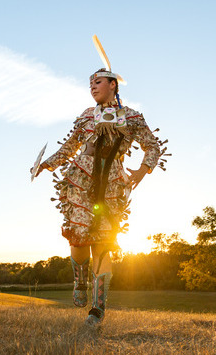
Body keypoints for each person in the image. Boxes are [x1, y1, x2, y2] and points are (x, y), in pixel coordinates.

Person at [32, 68, 166, 326]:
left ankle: (97, 310)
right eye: (90, 83)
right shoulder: (86, 115)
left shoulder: (132, 116)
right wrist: (45, 164)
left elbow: (152, 145)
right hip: (80, 178)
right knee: (79, 239)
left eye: (98, 81)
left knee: (103, 244)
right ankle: (79, 280)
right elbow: (70, 146)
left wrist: (142, 170)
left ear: (113, 85)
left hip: (112, 184)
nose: (92, 86)